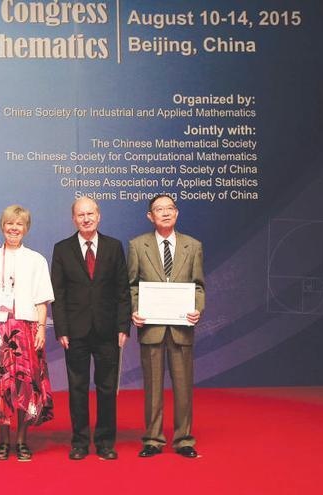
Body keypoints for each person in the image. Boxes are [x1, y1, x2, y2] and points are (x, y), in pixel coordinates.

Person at [0, 205, 54, 461]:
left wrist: (41, 329)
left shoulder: (36, 259)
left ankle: (22, 440)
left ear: (26, 228)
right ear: (2, 226)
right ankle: (4, 440)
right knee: (1, 387)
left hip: (27, 331)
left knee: (26, 386)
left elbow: (42, 300)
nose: (14, 228)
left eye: (19, 224)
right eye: (10, 223)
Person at [51, 197, 130, 461]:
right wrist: (61, 329)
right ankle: (80, 442)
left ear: (99, 216)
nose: (86, 219)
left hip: (108, 331)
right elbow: (58, 294)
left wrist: (123, 326)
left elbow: (122, 290)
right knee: (77, 388)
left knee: (107, 388)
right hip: (75, 332)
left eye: (90, 213)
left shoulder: (113, 247)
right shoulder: (62, 249)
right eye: (80, 215)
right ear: (73, 219)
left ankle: (106, 442)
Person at [128, 194, 205, 458]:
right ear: (150, 216)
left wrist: (197, 308)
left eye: (169, 208)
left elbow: (199, 286)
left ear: (177, 213)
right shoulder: (138, 245)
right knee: (152, 387)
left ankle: (184, 439)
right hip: (151, 328)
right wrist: (134, 310)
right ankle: (153, 439)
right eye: (158, 210)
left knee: (184, 386)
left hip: (182, 328)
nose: (165, 213)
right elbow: (132, 286)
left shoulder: (193, 246)